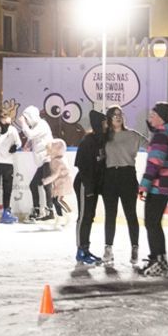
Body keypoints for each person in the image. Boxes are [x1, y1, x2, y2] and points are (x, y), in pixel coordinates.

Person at [135, 103, 168, 277]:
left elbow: (155, 162)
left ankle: (160, 262)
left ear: (161, 117)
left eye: (153, 114)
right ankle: (157, 258)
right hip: (165, 184)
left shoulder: (162, 135)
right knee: (153, 223)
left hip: (158, 185)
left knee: (152, 224)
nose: (150, 117)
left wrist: (144, 186)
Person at [100, 105, 145, 266]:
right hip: (110, 177)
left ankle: (135, 247)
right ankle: (108, 248)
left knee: (131, 214)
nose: (118, 117)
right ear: (109, 118)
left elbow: (152, 147)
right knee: (110, 214)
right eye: (114, 114)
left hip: (127, 176)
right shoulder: (105, 137)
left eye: (120, 114)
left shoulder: (132, 135)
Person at [73, 110, 107, 264]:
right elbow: (81, 165)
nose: (107, 125)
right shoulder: (88, 141)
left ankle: (86, 249)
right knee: (84, 217)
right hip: (84, 184)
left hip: (93, 186)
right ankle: (81, 250)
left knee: (90, 216)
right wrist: (88, 188)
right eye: (104, 122)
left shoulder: (102, 140)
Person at [17, 105, 55, 222]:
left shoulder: (42, 124)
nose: (26, 121)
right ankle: (38, 210)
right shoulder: (36, 126)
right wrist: (28, 143)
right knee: (34, 185)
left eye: (27, 118)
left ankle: (50, 211)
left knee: (47, 184)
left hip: (47, 159)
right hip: (43, 161)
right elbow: (33, 136)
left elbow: (31, 134)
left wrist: (23, 123)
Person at [45, 138, 73, 229]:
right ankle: (59, 218)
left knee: (58, 200)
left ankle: (69, 216)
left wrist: (47, 180)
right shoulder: (55, 159)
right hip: (59, 182)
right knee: (55, 200)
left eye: (50, 149)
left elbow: (56, 174)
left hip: (63, 182)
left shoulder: (58, 160)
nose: (48, 151)